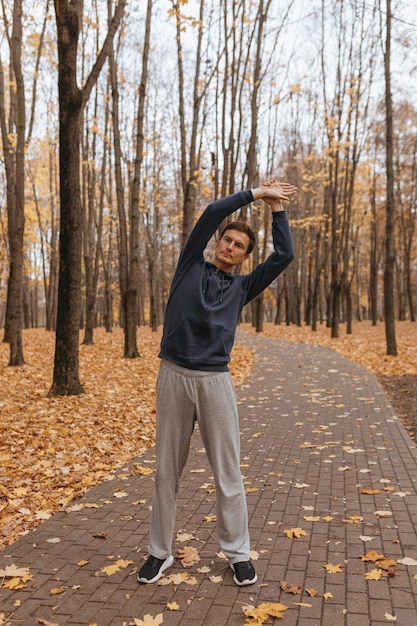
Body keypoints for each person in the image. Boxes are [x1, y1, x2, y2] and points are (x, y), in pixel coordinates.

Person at [137, 180, 297, 586]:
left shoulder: (243, 286)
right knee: (165, 471)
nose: (229, 246)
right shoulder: (189, 266)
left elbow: (285, 254)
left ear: (244, 256)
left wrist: (278, 210)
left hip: (215, 383)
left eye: (238, 245)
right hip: (173, 376)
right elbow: (210, 213)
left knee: (228, 473)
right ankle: (159, 552)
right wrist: (256, 194)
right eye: (226, 239)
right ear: (217, 242)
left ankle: (237, 553)